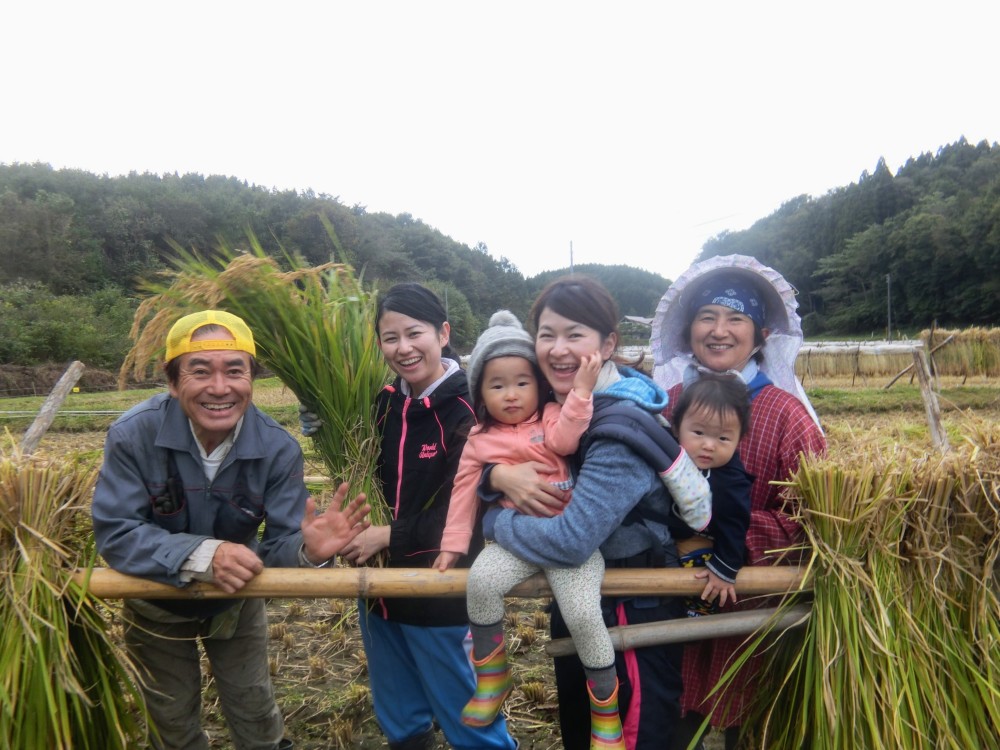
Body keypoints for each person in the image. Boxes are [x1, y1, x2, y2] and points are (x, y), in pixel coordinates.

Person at [91, 309, 372, 750]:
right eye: (200, 372)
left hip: (235, 600)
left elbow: (280, 546)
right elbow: (117, 532)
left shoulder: (277, 448)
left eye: (235, 371)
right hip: (155, 600)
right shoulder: (133, 436)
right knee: (170, 714)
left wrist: (308, 550)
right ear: (171, 382)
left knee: (253, 703)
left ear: (252, 381)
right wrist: (203, 555)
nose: (220, 388)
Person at [478, 276, 712, 750]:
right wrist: (494, 478)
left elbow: (571, 540)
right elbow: (498, 457)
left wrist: (494, 523)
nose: (558, 349)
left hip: (631, 611)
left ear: (607, 344)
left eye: (575, 334)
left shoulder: (617, 429)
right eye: (547, 334)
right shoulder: (554, 409)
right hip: (583, 601)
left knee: (632, 739)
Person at [649, 254, 827, 750]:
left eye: (735, 318)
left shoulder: (786, 415)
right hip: (670, 592)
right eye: (707, 316)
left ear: (761, 333)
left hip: (752, 599)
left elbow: (816, 520)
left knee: (749, 722)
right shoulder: (664, 405)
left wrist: (722, 535)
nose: (719, 330)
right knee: (671, 713)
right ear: (689, 330)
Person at [331, 284, 517, 750]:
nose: (404, 348)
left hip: (443, 595)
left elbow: (469, 512)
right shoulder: (381, 405)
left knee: (472, 723)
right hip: (377, 596)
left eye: (415, 333)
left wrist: (387, 534)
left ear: (444, 333)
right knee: (403, 722)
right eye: (390, 337)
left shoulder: (471, 410)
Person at [433, 310, 622, 739]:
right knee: (479, 581)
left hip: (570, 542)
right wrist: (453, 544)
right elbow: (463, 492)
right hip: (515, 544)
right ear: (480, 392)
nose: (512, 394)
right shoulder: (479, 439)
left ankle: (606, 715)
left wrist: (581, 392)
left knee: (581, 614)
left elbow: (567, 440)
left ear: (538, 383)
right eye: (497, 385)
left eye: (522, 382)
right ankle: (492, 675)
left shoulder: (552, 417)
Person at [667, 375, 753, 618]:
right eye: (698, 432)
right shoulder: (670, 459)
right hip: (668, 545)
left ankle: (696, 611)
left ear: (739, 440)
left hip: (706, 552)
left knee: (702, 591)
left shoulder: (731, 481)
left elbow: (735, 525)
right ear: (676, 428)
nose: (709, 445)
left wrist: (724, 568)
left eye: (723, 438)